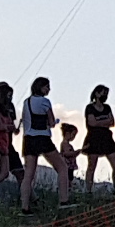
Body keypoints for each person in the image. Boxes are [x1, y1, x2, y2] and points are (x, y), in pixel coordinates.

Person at [19, 76, 72, 212]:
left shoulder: (26, 102)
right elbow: (52, 121)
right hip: (42, 138)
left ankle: (24, 207)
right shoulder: (45, 102)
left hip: (28, 139)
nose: (49, 89)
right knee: (62, 168)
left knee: (28, 174)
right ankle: (64, 200)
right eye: (47, 86)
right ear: (40, 87)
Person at [80, 84, 115, 191]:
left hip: (107, 138)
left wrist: (99, 122)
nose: (105, 95)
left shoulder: (107, 107)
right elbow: (92, 123)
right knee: (92, 166)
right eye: (103, 93)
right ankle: (88, 190)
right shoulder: (90, 108)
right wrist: (104, 122)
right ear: (97, 93)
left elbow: (112, 122)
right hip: (94, 138)